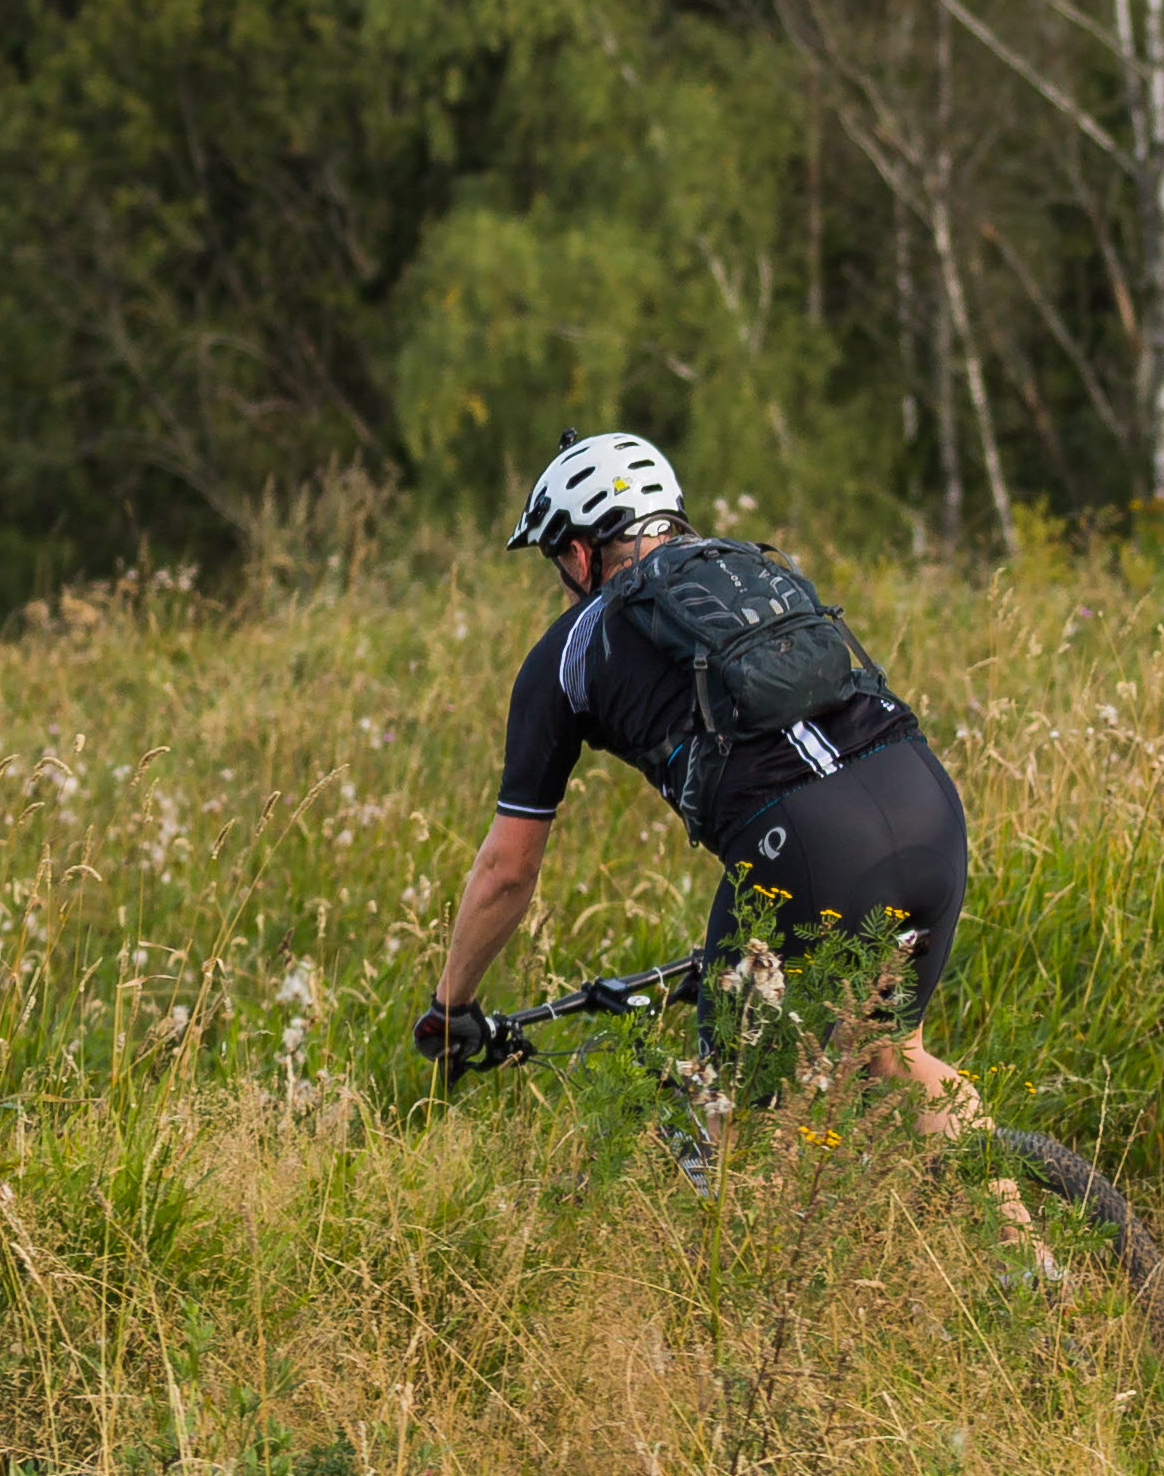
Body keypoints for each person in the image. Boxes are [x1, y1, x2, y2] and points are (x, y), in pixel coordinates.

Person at [414, 429, 978, 1120]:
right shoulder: (749, 571)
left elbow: (508, 868)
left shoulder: (568, 648)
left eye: (556, 559)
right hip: (925, 800)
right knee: (892, 1056)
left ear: (581, 553)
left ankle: (749, 1187)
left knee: (731, 1114)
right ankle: (1014, 1191)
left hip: (807, 845)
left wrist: (451, 1005)